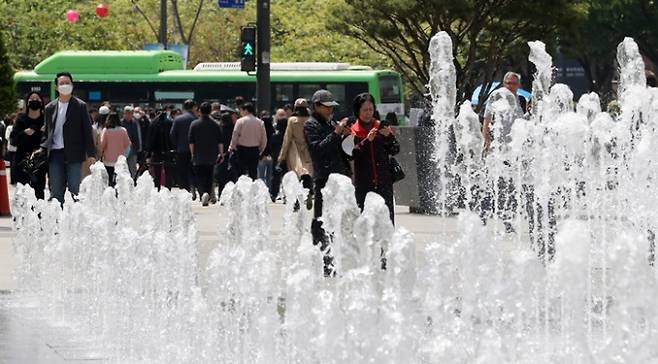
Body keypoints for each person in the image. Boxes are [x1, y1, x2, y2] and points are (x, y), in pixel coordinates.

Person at [304, 89, 352, 275]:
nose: (331, 110)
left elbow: (337, 149)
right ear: (316, 106)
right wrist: (335, 133)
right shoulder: (311, 125)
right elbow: (317, 150)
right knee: (322, 221)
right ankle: (325, 261)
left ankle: (335, 259)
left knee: (338, 221)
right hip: (324, 179)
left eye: (332, 107)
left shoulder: (330, 122)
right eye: (327, 107)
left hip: (338, 177)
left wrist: (344, 135)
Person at [38, 72, 96, 204]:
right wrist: (42, 148)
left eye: (67, 83)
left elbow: (87, 130)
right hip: (55, 154)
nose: (65, 85)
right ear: (56, 87)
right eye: (61, 83)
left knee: (76, 188)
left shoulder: (80, 106)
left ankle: (79, 218)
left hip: (74, 154)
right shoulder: (49, 108)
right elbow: (47, 132)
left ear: (72, 85)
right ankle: (57, 220)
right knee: (56, 190)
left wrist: (91, 154)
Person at [350, 93, 400, 224]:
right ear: (357, 111)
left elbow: (395, 149)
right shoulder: (353, 130)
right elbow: (352, 154)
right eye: (364, 110)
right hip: (363, 184)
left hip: (384, 183)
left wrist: (389, 136)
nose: (368, 113)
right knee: (365, 223)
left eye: (371, 110)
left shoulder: (380, 127)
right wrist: (367, 141)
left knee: (386, 222)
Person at [277, 98, 314, 209]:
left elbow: (287, 138)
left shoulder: (292, 120)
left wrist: (282, 156)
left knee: (295, 177)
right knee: (306, 174)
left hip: (294, 151)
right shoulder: (311, 119)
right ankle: (308, 193)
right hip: (308, 150)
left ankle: (296, 201)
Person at [10, 92, 47, 198]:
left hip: (40, 161)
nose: (34, 100)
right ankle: (22, 214)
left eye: (37, 99)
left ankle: (38, 214)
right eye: (32, 98)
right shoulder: (21, 119)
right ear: (27, 102)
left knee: (39, 190)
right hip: (22, 160)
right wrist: (24, 133)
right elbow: (13, 140)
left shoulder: (45, 120)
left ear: (41, 103)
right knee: (22, 190)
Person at [189, 102, 223, 206]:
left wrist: (192, 154)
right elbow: (220, 141)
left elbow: (191, 142)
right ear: (210, 111)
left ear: (200, 111)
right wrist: (221, 154)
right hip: (211, 154)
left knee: (199, 176)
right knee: (209, 176)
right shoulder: (215, 125)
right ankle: (207, 193)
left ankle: (202, 193)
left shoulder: (194, 124)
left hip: (198, 155)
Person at [229, 103, 267, 180]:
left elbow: (235, 136)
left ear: (245, 110)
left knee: (241, 172)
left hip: (242, 149)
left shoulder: (240, 121)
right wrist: (261, 149)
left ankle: (241, 190)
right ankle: (253, 189)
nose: (240, 112)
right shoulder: (260, 122)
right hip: (254, 150)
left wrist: (231, 147)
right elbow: (264, 138)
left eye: (241, 110)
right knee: (253, 172)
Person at [170, 99, 198, 195]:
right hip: (195, 150)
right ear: (194, 107)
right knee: (194, 171)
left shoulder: (178, 119)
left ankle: (184, 191)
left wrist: (177, 144)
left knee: (182, 172)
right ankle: (194, 188)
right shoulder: (196, 119)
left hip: (181, 150)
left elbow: (172, 135)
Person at [99, 112, 131, 186]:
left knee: (109, 179)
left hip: (108, 160)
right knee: (119, 181)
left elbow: (102, 145)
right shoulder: (123, 130)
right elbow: (127, 145)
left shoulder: (106, 130)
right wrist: (125, 157)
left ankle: (110, 193)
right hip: (120, 161)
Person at [146, 109, 175, 190]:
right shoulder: (170, 122)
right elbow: (173, 137)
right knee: (168, 172)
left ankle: (157, 189)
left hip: (156, 151)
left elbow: (150, 139)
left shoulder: (153, 123)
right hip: (168, 151)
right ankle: (168, 189)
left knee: (157, 173)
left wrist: (148, 152)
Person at [269, 109, 289, 201]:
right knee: (287, 176)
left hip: (276, 158)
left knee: (275, 177)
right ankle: (286, 195)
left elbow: (271, 147)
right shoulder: (288, 136)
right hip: (287, 157)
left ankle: (273, 194)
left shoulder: (275, 136)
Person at [120, 105, 141, 179]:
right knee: (122, 168)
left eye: (131, 113)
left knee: (133, 168)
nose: (129, 115)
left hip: (133, 148)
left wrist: (138, 148)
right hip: (122, 149)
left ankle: (134, 183)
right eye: (127, 113)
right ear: (124, 113)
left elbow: (137, 136)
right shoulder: (120, 123)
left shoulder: (135, 123)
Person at [258, 115, 275, 189]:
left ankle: (261, 192)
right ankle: (269, 192)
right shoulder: (273, 133)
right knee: (269, 177)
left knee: (261, 177)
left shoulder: (261, 133)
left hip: (262, 156)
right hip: (270, 156)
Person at [4, 114, 17, 185]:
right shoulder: (9, 127)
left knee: (16, 164)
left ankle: (16, 179)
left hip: (18, 149)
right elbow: (7, 137)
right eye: (15, 119)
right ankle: (13, 180)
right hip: (11, 148)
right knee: (13, 164)